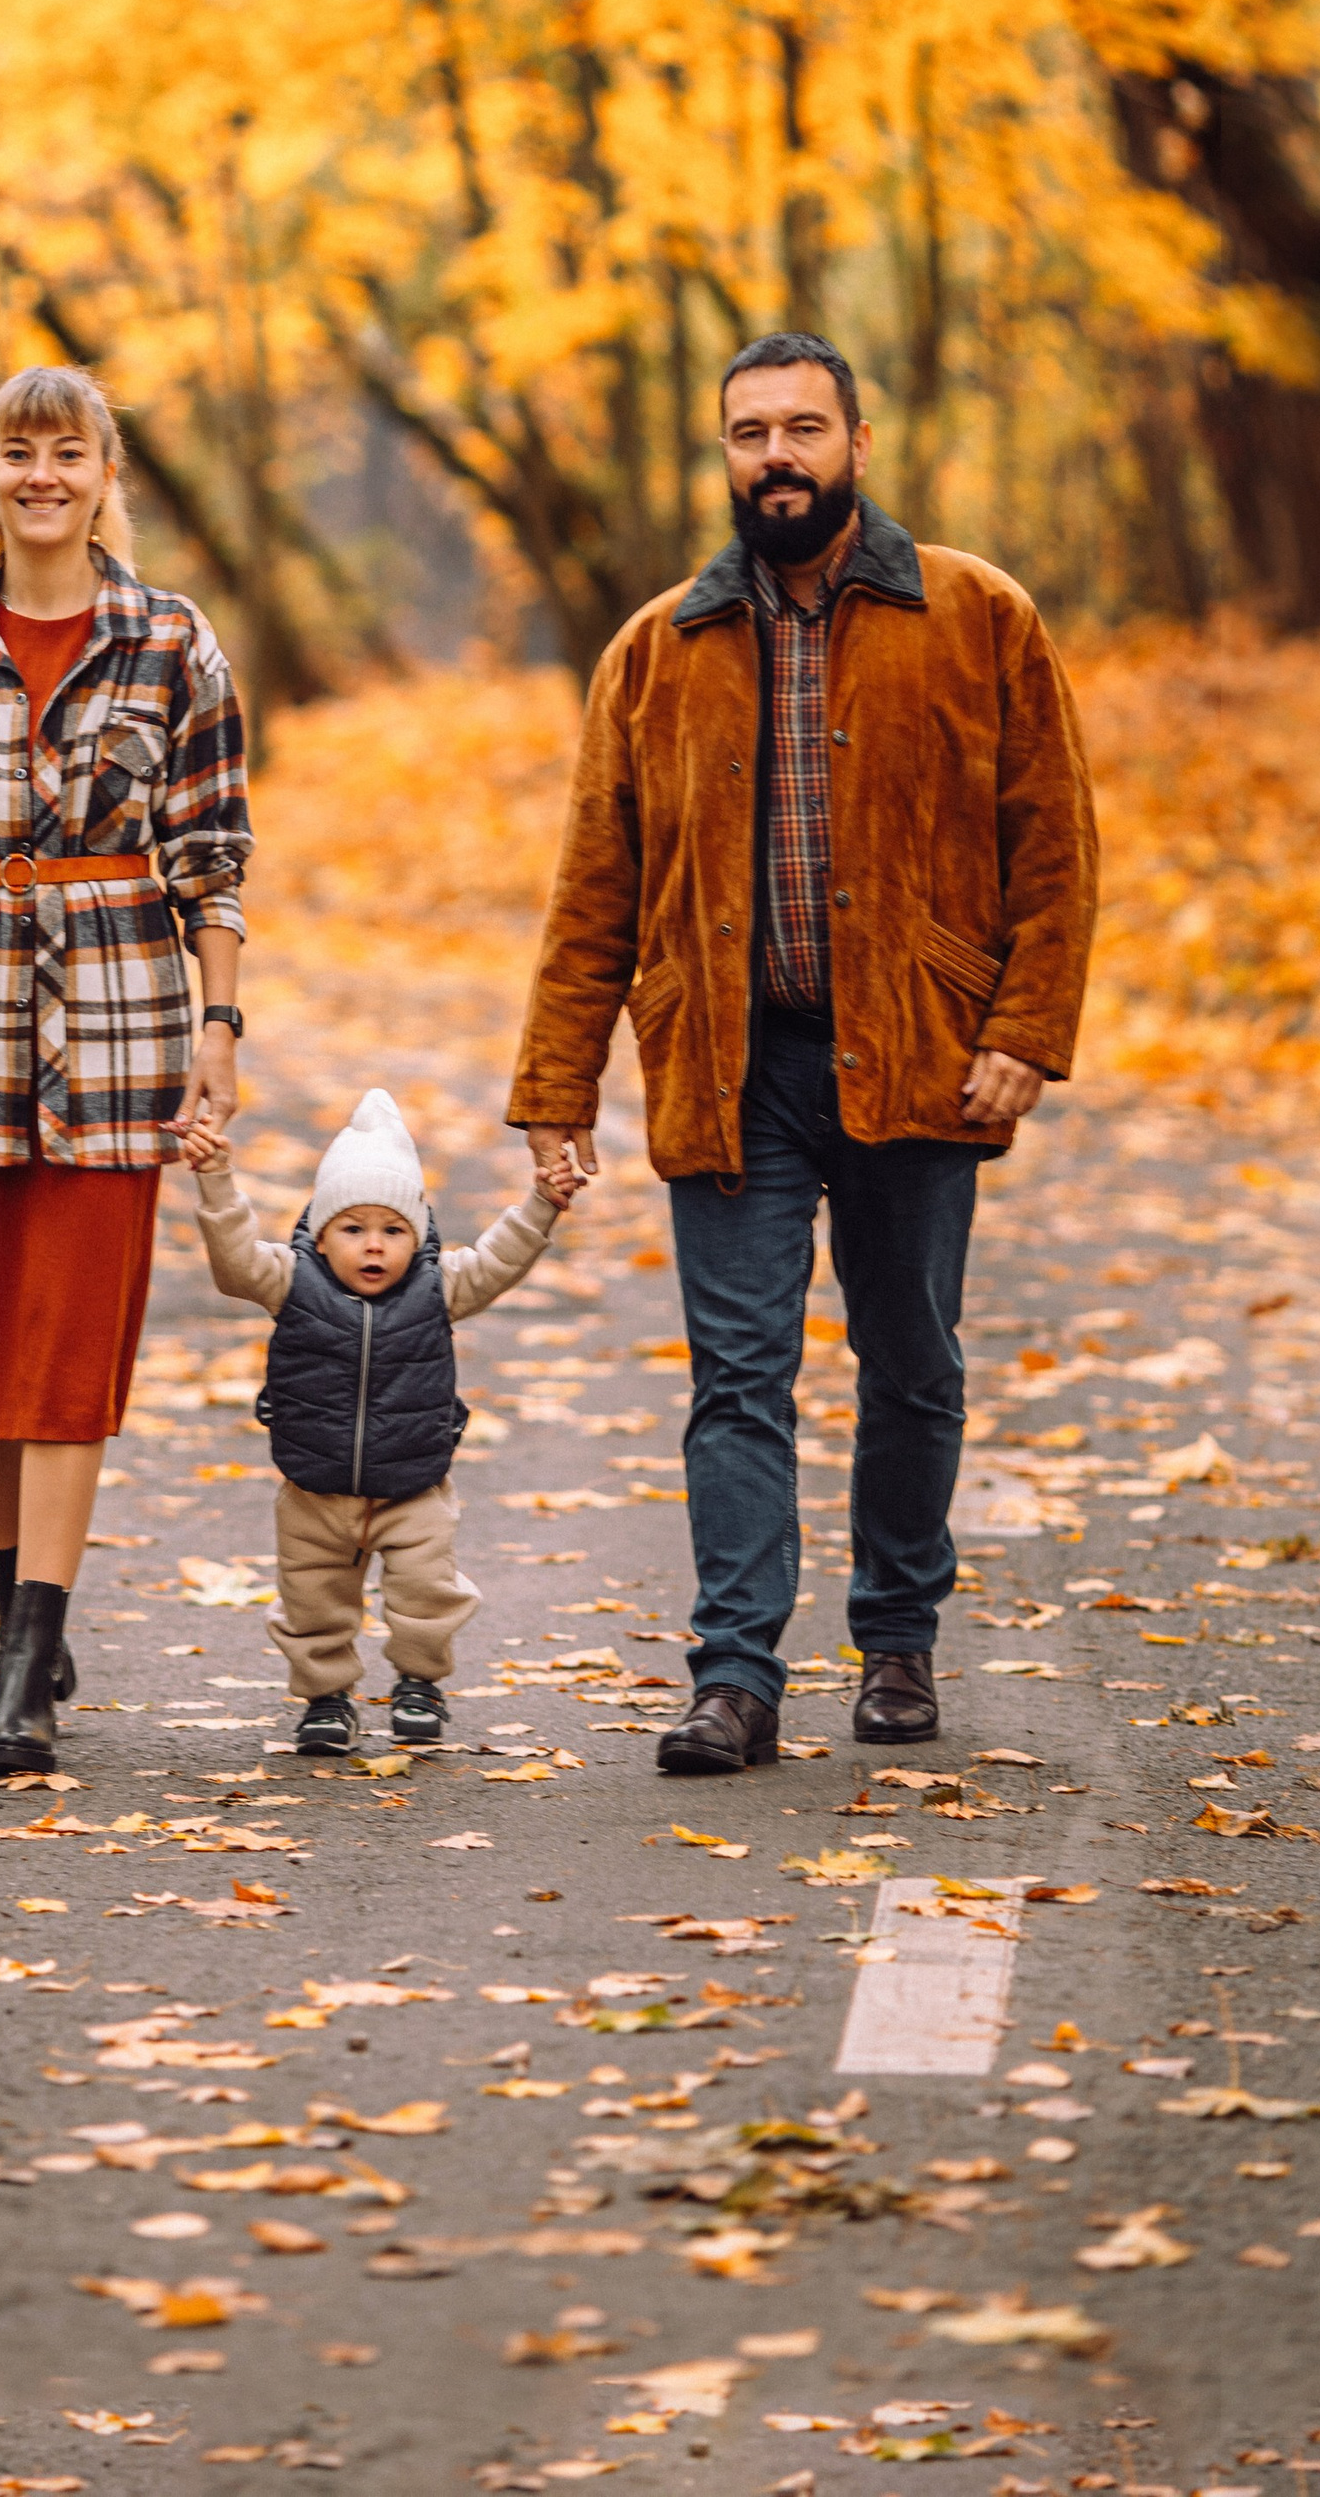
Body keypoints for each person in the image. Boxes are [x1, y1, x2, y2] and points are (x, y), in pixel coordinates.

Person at [509, 331, 1096, 1773]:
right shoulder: (660, 648)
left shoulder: (977, 615)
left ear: (857, 442)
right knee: (737, 1374)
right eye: (749, 433)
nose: (776, 456)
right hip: (730, 1065)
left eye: (803, 429)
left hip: (917, 1055)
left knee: (909, 1364)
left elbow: (1057, 845)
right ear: (722, 455)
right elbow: (597, 882)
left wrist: (1025, 1030)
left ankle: (896, 1646)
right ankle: (736, 1679)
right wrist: (556, 1085)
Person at [0, 365, 252, 1777]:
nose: (42, 478)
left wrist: (219, 1030)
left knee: (72, 1346)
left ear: (104, 470)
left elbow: (215, 857)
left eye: (67, 453)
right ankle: (21, 1600)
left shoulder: (173, 643)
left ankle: (27, 1663)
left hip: (123, 1020)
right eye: (17, 454)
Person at [181, 1086, 583, 1752]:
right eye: (355, 1229)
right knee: (312, 1606)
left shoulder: (440, 1287)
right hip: (314, 1491)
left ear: (419, 1234)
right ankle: (325, 1700)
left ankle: (420, 1683)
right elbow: (234, 1260)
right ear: (320, 1233)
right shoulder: (289, 1280)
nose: (375, 1247)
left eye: (393, 1231)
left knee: (428, 1593)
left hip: (413, 1487)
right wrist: (217, 1179)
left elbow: (500, 1261)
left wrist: (543, 1203)